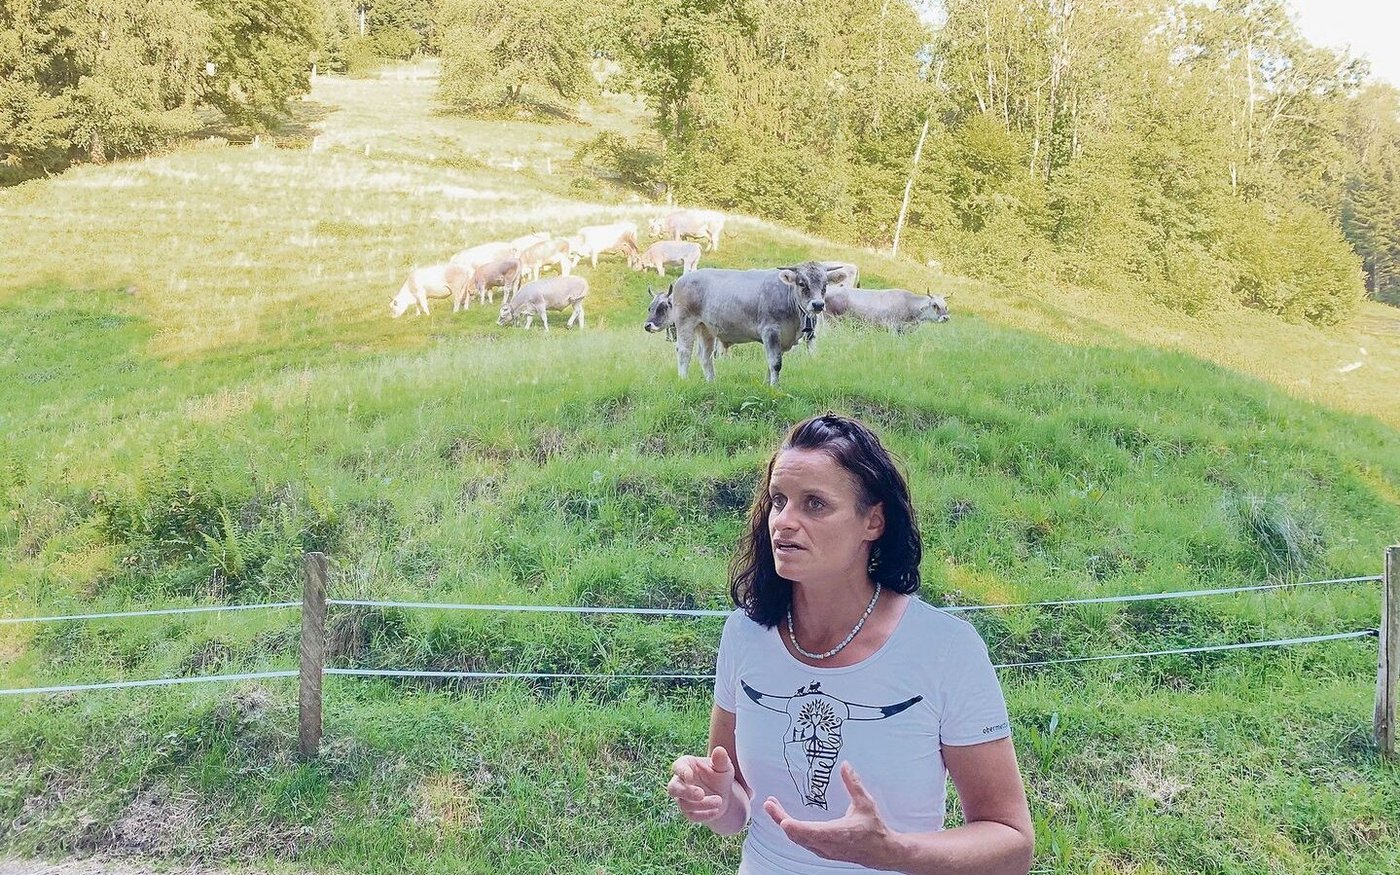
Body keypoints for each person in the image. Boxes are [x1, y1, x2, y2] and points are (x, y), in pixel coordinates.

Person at [667, 413, 1033, 874]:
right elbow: (738, 803)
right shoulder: (745, 634)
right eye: (778, 501)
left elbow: (1012, 844)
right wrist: (717, 800)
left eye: (815, 504)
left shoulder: (945, 650)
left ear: (873, 522)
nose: (784, 522)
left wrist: (892, 851)